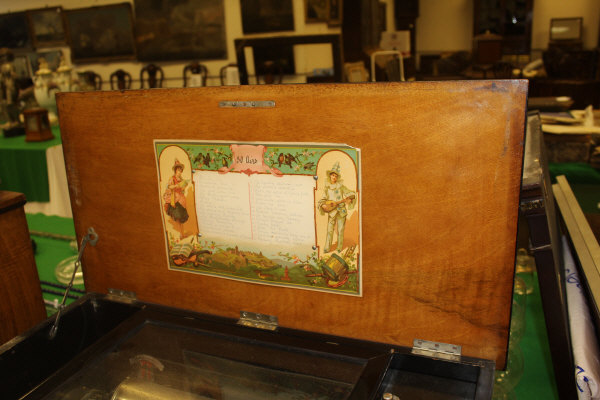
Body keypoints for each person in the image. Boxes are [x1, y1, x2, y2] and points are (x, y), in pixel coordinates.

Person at [318, 161, 356, 253]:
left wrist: (350, 198)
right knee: (330, 230)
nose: (334, 177)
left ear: (337, 177)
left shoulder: (341, 186)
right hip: (332, 212)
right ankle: (327, 248)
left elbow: (351, 193)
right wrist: (323, 205)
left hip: (341, 211)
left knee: (340, 230)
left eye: (336, 176)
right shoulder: (327, 188)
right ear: (330, 176)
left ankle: (339, 248)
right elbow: (322, 199)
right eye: (332, 175)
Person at [163, 159, 189, 239]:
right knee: (179, 216)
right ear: (175, 170)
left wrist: (183, 186)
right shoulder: (172, 178)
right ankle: (181, 234)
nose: (179, 172)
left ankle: (182, 234)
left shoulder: (181, 179)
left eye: (181, 170)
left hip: (181, 199)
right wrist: (175, 186)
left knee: (181, 217)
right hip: (175, 198)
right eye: (178, 170)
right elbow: (169, 186)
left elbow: (182, 188)